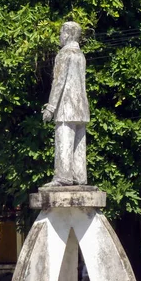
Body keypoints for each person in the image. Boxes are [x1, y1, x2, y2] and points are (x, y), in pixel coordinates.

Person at [42, 21, 89, 186]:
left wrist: (51, 107)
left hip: (66, 107)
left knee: (64, 142)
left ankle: (63, 177)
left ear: (68, 34)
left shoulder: (64, 54)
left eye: (61, 33)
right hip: (81, 108)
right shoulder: (80, 55)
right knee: (78, 146)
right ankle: (80, 177)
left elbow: (59, 82)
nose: (60, 37)